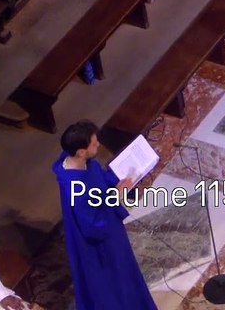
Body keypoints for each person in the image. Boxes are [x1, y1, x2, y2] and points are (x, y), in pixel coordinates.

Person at [52, 121, 158, 310]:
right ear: (81, 151)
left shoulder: (84, 162)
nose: (99, 144)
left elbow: (100, 179)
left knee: (126, 272)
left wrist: (122, 179)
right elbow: (93, 224)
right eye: (94, 143)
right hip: (99, 245)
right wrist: (115, 197)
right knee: (115, 283)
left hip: (109, 229)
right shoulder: (73, 186)